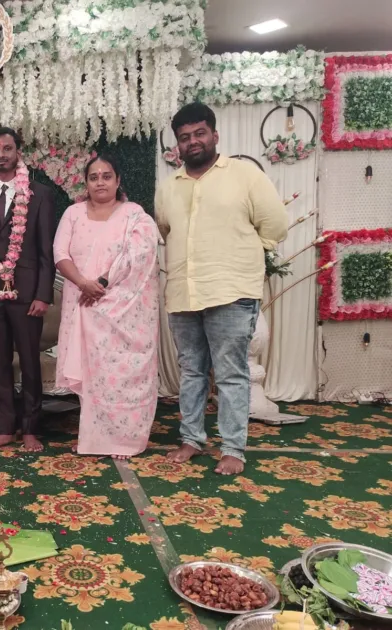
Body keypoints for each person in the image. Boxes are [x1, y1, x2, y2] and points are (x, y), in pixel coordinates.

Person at [155, 102, 289, 475]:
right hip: (184, 293)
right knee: (192, 372)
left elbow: (275, 226)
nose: (193, 142)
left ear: (215, 135)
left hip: (231, 292)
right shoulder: (169, 188)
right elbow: (167, 231)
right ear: (177, 145)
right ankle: (192, 439)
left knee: (231, 374)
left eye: (199, 133)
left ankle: (233, 449)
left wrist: (236, 256)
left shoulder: (245, 176)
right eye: (184, 137)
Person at [54, 155, 160, 460]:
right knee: (93, 375)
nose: (100, 182)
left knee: (122, 374)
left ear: (117, 181)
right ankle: (94, 439)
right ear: (86, 183)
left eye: (106, 176)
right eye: (94, 177)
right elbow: (60, 252)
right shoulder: (73, 213)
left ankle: (125, 440)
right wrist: (84, 283)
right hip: (83, 305)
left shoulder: (134, 215)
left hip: (125, 311)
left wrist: (101, 283)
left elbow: (140, 256)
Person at [0, 127, 56, 452]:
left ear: (18, 152)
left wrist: (42, 294)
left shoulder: (40, 194)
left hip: (27, 294)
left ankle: (31, 430)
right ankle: (5, 428)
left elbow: (46, 251)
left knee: (29, 362)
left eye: (7, 148)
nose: (1, 155)